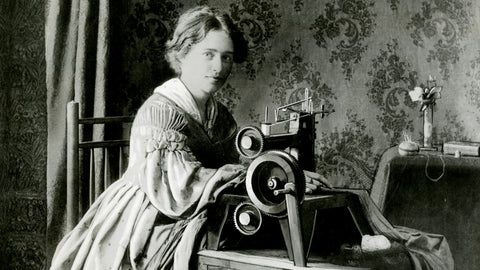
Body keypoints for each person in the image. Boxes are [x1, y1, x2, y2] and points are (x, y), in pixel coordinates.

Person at [50, 6, 327, 270]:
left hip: (197, 204)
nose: (218, 66)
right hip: (152, 213)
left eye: (226, 56)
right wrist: (254, 177)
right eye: (208, 54)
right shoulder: (160, 112)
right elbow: (179, 188)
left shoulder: (218, 114)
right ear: (182, 55)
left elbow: (236, 166)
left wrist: (285, 176)